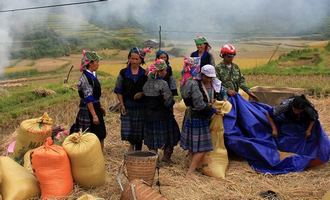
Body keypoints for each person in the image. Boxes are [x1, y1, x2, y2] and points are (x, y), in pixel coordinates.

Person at [180, 61, 226, 176]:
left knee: (193, 146)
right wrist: (214, 110)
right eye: (208, 77)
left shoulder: (213, 84)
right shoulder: (195, 85)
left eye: (211, 77)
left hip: (196, 116)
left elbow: (220, 93)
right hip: (197, 117)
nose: (210, 79)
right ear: (202, 75)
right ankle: (190, 172)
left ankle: (192, 167)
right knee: (203, 148)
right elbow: (200, 105)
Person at [143, 59, 180, 163]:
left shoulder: (147, 83)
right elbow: (168, 101)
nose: (166, 72)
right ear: (159, 72)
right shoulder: (163, 83)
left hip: (150, 116)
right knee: (171, 137)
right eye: (164, 70)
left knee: (152, 140)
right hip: (163, 116)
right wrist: (171, 101)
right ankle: (166, 158)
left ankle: (153, 160)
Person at [71, 50, 106, 149]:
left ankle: (98, 156)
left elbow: (95, 95)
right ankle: (96, 156)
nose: (98, 64)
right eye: (96, 61)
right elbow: (88, 97)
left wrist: (100, 107)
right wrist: (94, 115)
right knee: (94, 135)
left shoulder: (92, 75)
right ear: (90, 63)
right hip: (88, 109)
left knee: (100, 134)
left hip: (94, 107)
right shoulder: (85, 78)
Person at [114, 47, 148, 151]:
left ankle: (138, 151)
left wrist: (142, 93)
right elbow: (119, 89)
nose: (134, 61)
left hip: (140, 106)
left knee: (139, 130)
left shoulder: (144, 74)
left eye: (136, 59)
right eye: (132, 58)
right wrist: (122, 104)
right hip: (128, 105)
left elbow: (149, 88)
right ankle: (132, 146)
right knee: (129, 129)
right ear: (129, 59)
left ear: (141, 60)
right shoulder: (123, 73)